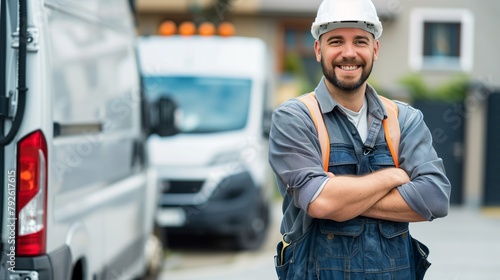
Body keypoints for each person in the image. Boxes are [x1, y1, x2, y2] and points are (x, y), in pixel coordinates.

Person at [268, 0, 451, 279]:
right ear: (319, 50)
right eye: (336, 41)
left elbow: (435, 199)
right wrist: (393, 177)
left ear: (375, 49)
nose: (349, 53)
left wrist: (340, 198)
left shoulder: (404, 119)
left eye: (361, 42)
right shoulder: (295, 118)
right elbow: (320, 202)